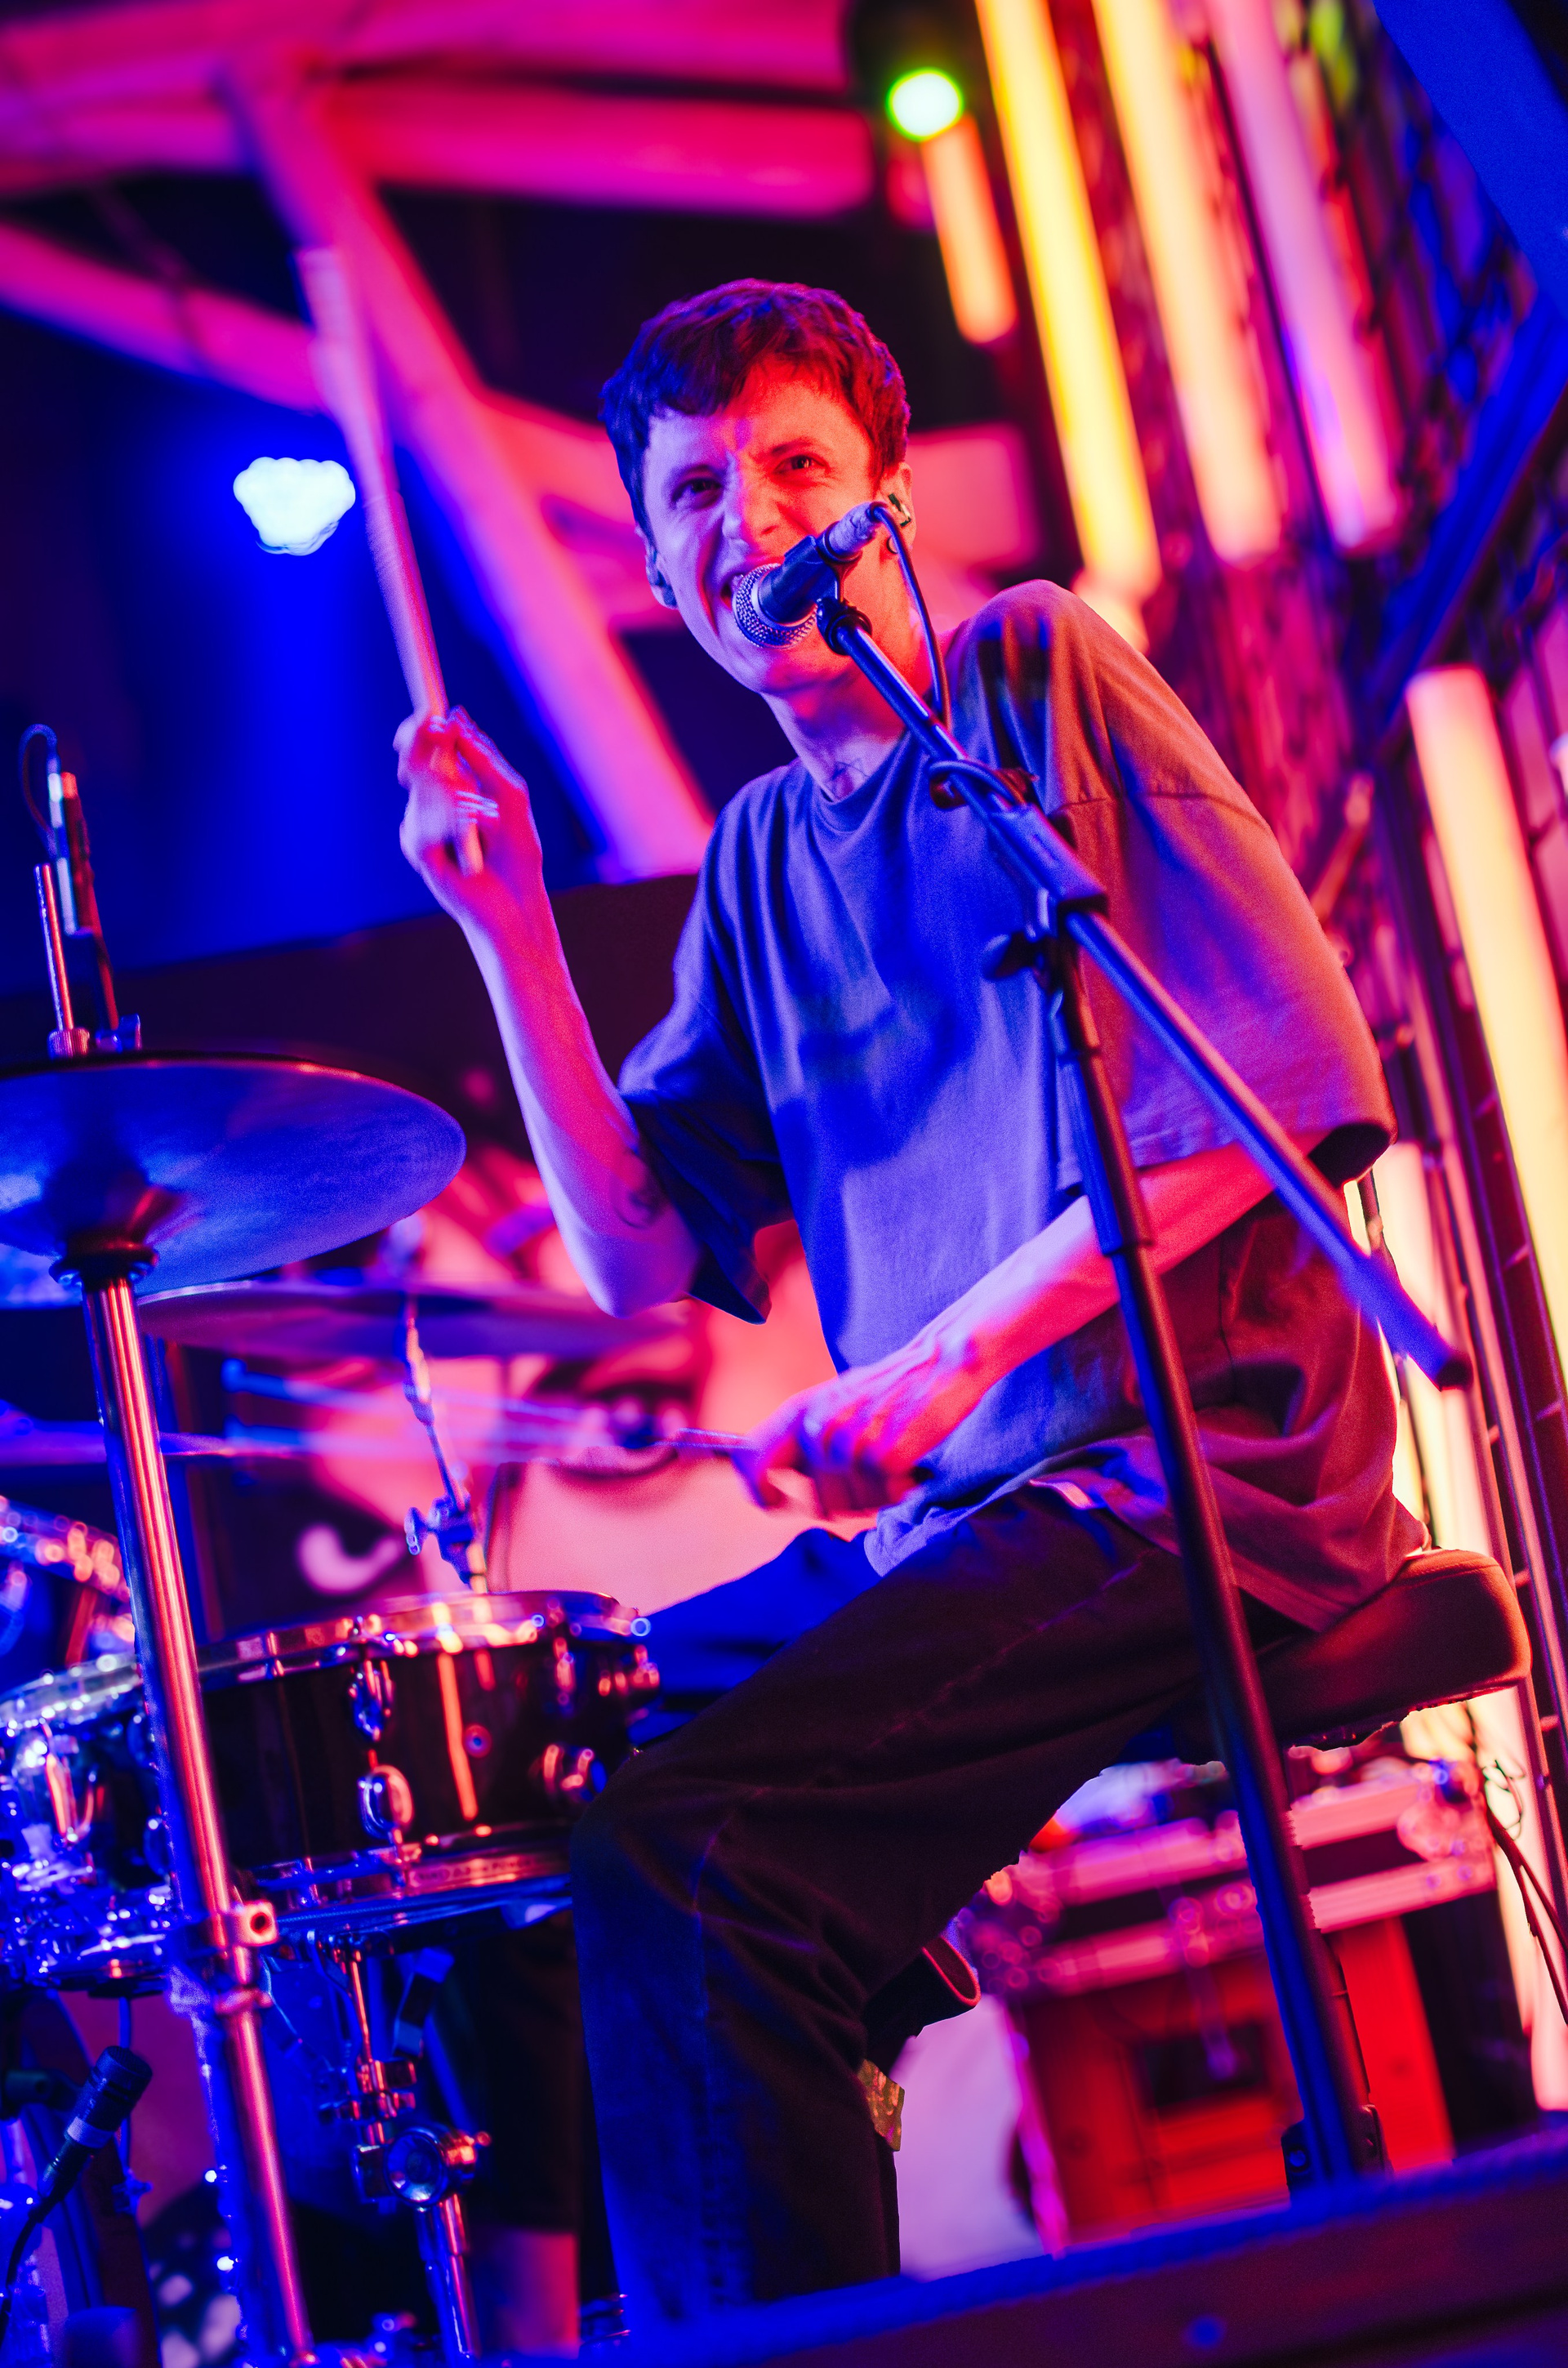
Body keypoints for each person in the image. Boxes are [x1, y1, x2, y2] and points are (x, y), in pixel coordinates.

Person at [395, 279, 1421, 2328]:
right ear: (662, 567)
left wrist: (947, 1360)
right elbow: (640, 1251)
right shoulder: (759, 861)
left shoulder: (1032, 669)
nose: (748, 519)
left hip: (1189, 1475)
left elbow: (1269, 1095)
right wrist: (507, 926)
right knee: (531, 1807)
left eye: (794, 466)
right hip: (966, 1518)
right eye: (696, 493)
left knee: (706, 1852)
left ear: (887, 505)